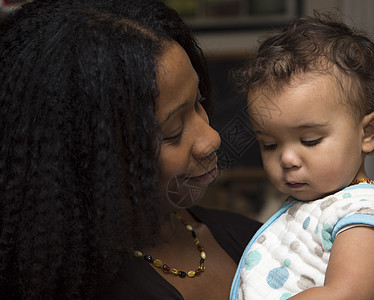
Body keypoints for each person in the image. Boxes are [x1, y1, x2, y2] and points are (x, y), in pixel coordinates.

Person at [0, 0, 261, 299]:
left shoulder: (254, 237)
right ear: (92, 160)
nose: (212, 138)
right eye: (173, 132)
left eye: (199, 102)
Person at [229, 12, 374, 300]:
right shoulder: (310, 207)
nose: (287, 159)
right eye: (269, 144)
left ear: (367, 132)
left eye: (310, 140)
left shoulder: (365, 216)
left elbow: (345, 295)